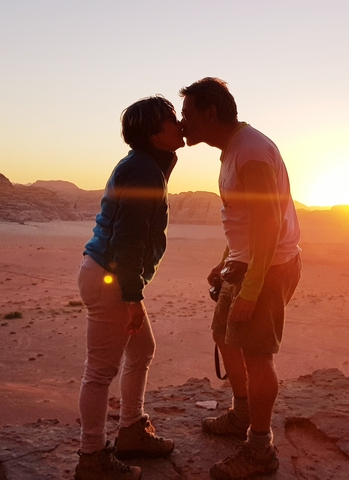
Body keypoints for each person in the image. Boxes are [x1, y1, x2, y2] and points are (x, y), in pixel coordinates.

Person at [179, 77, 302, 480]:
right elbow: (243, 221)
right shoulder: (234, 149)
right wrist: (226, 260)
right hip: (247, 264)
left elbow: (267, 225)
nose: (182, 123)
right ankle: (242, 413)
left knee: (257, 355)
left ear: (210, 113)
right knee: (224, 335)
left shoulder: (250, 153)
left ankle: (260, 448)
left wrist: (251, 290)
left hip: (268, 269)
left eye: (188, 114)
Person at [75, 95, 183, 480]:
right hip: (111, 277)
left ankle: (131, 430)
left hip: (109, 274)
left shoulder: (145, 165)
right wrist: (132, 297)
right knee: (100, 372)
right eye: (171, 119)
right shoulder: (142, 171)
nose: (180, 124)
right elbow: (129, 239)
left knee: (142, 349)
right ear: (153, 132)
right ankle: (92, 457)